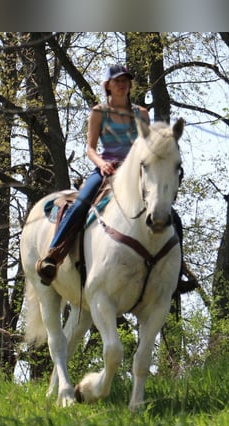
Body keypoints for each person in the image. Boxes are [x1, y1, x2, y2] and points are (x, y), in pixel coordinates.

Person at [36, 64, 151, 285]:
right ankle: (54, 254)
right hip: (107, 168)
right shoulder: (99, 112)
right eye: (117, 81)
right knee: (81, 203)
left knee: (165, 210)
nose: (122, 85)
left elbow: (147, 146)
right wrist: (102, 164)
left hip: (135, 172)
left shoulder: (141, 114)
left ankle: (177, 269)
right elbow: (90, 148)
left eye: (125, 81)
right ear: (108, 85)